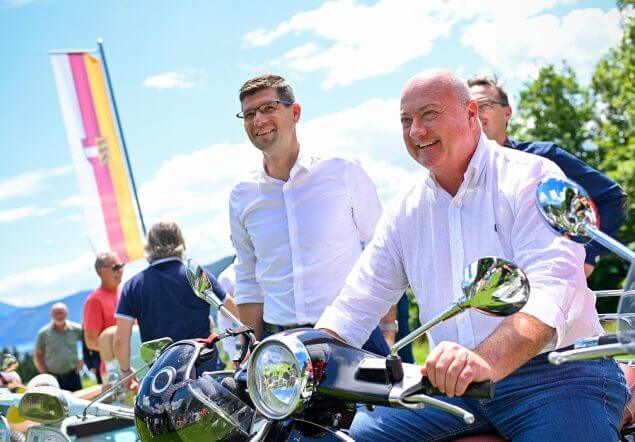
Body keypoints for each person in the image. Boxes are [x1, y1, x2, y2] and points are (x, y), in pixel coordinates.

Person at [315, 69, 629, 441]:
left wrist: (484, 360)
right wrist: (304, 353)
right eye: (406, 120)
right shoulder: (405, 209)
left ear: (470, 114)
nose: (416, 131)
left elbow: (552, 288)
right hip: (453, 385)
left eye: (429, 114)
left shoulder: (531, 175)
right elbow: (355, 304)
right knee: (335, 437)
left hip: (556, 376)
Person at [230, 74, 392, 355]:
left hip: (352, 334)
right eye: (249, 114)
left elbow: (383, 251)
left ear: (295, 112)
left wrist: (388, 329)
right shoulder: (242, 195)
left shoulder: (342, 170)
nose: (258, 120)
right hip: (279, 345)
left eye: (268, 108)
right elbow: (247, 278)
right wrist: (247, 351)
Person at [468, 75, 626, 277]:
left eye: (484, 105)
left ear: (507, 112)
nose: (476, 114)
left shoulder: (543, 159)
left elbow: (613, 197)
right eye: (469, 110)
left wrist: (589, 254)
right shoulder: (456, 174)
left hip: (546, 283)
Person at [114, 221, 237, 389]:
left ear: (149, 245)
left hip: (163, 379)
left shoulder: (133, 286)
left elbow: (121, 339)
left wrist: (125, 370)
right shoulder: (195, 274)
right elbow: (233, 310)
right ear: (181, 242)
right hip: (206, 372)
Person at [34, 303, 83, 391]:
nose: (59, 316)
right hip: (52, 377)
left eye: (61, 313)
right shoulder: (43, 333)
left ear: (66, 313)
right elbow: (38, 355)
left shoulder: (76, 329)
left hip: (73, 374)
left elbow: (87, 344)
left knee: (78, 398)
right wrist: (45, 374)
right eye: (56, 313)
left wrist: (82, 360)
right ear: (51, 315)